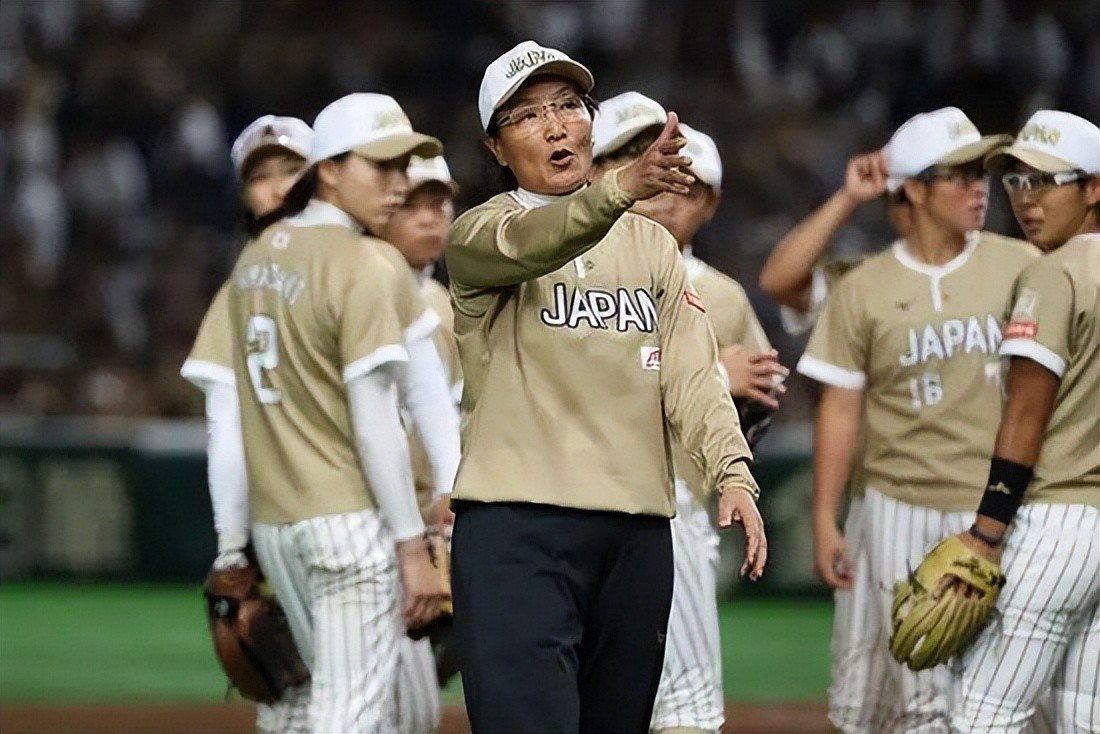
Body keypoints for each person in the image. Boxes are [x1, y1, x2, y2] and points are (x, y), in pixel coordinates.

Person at [445, 41, 767, 734]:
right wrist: (620, 189)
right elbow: (540, 240)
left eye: (568, 105)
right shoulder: (478, 235)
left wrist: (733, 471)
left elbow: (691, 374)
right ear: (496, 147)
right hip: (517, 531)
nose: (555, 126)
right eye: (529, 115)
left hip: (635, 536)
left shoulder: (651, 248)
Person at [795, 107, 1038, 733]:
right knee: (909, 702)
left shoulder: (1022, 266)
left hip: (998, 505)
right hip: (894, 506)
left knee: (1009, 698)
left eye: (980, 173)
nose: (978, 188)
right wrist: (824, 519)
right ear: (915, 190)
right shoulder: (864, 286)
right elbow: (840, 407)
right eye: (959, 175)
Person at [230, 93, 449, 733]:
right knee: (351, 716)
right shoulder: (365, 260)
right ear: (327, 169)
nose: (399, 183)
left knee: (333, 707)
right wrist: (411, 545)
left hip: (280, 525)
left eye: (403, 166)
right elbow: (377, 418)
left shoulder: (258, 258)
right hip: (349, 524)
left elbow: (426, 381)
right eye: (380, 167)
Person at [593, 92, 785, 734]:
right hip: (580, 501)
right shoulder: (559, 267)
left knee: (684, 706)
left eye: (665, 163)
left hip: (675, 499)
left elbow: (757, 410)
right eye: (623, 157)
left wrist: (728, 407)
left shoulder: (716, 293)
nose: (662, 185)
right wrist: (714, 374)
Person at [941, 110, 1099, 733]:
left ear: (1094, 187)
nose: (1027, 199)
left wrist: (986, 530)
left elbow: (1026, 414)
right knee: (1084, 717)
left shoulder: (1055, 272)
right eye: (1016, 182)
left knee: (981, 713)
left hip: (1059, 522)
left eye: (1046, 182)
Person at [180, 114, 314, 734]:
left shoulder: (365, 264)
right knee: (303, 704)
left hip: (377, 517)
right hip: (286, 521)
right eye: (262, 175)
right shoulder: (241, 289)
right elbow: (225, 425)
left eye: (291, 168)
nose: (278, 185)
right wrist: (233, 545)